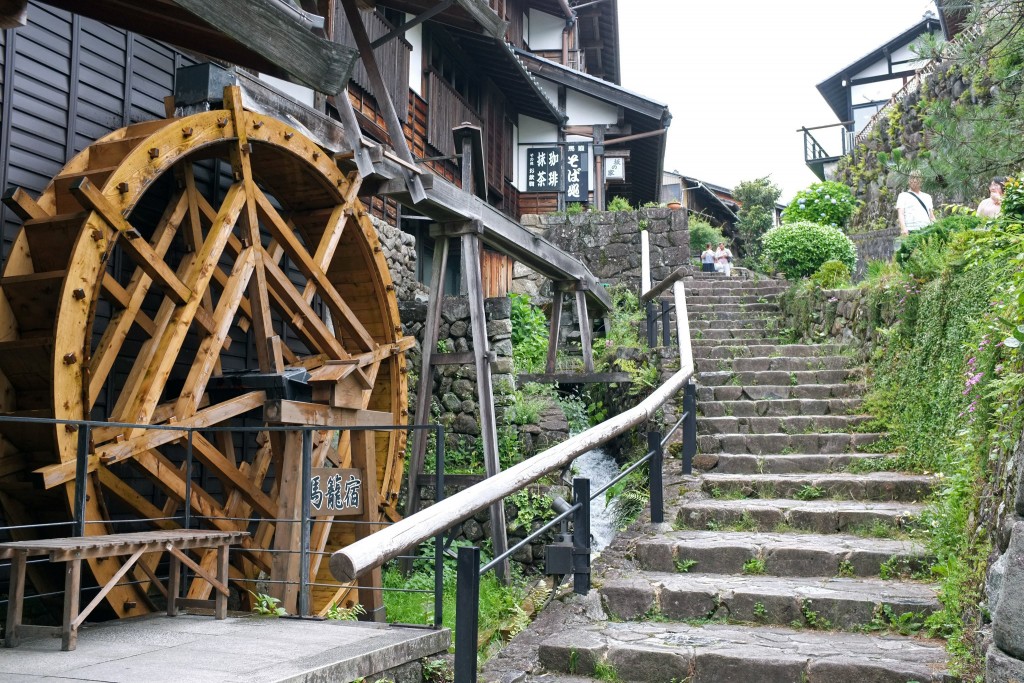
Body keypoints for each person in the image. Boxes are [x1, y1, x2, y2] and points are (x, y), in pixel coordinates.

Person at [896, 170, 935, 241]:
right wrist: (903, 228)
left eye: (916, 178)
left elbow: (931, 216)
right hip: (911, 230)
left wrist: (937, 228)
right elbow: (901, 214)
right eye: (911, 178)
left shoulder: (927, 197)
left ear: (921, 181)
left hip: (927, 230)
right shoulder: (903, 195)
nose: (914, 181)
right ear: (908, 181)